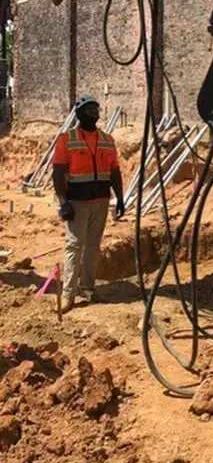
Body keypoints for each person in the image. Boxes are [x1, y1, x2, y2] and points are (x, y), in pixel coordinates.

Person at [52, 94, 125, 313]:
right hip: (77, 201)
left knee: (93, 246)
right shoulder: (67, 139)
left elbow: (114, 171)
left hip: (100, 200)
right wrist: (63, 202)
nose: (93, 113)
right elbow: (57, 173)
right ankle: (68, 294)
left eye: (96, 110)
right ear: (79, 114)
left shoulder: (107, 139)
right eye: (88, 110)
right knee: (75, 245)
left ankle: (88, 288)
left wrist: (120, 198)